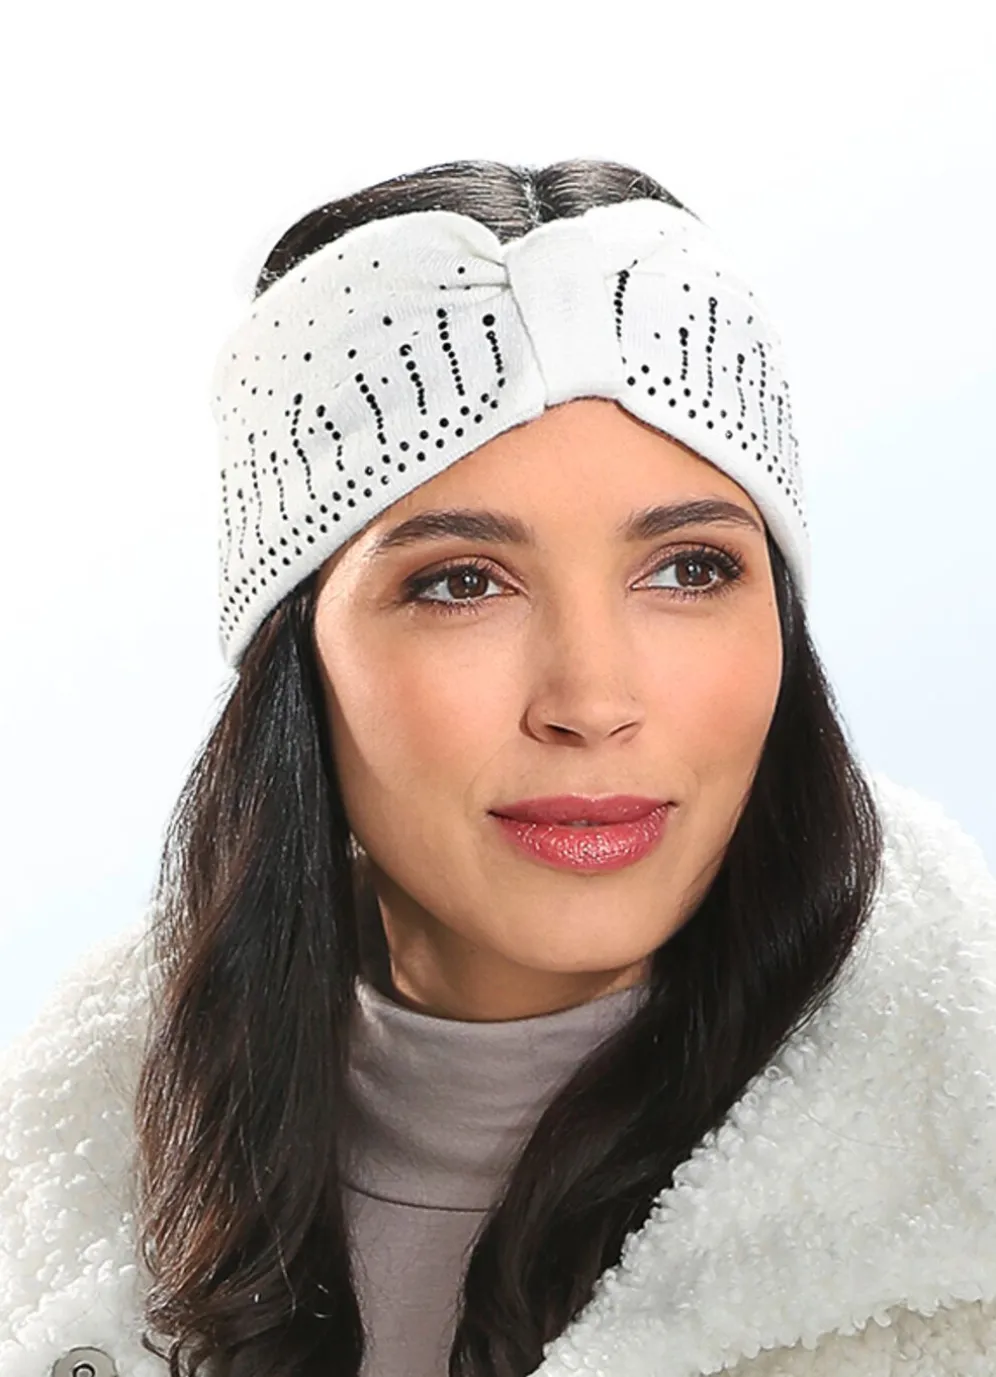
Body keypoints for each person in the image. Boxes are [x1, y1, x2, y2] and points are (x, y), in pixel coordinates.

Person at [2, 158, 995, 1377]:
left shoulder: (968, 1181)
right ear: (297, 656)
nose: (592, 702)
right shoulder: (57, 1193)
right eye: (463, 582)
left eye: (689, 569)